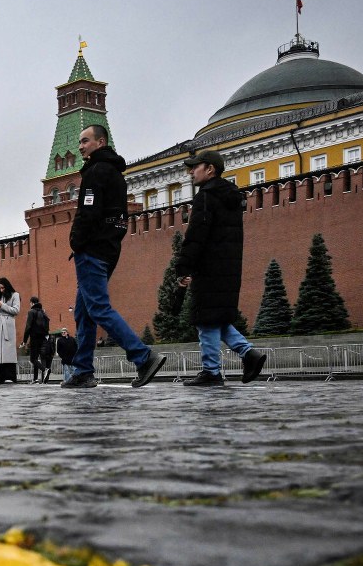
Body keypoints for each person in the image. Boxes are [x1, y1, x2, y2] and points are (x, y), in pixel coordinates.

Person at [63, 124, 166, 389]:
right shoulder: (116, 174)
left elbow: (89, 212)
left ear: (100, 141)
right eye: (80, 142)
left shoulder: (96, 172)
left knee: (98, 307)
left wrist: (76, 241)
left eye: (85, 141)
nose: (81, 146)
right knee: (84, 313)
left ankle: (143, 357)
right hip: (108, 249)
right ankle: (83, 370)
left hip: (92, 251)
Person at [176, 149, 268, 386]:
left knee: (205, 319)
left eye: (195, 167)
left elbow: (197, 235)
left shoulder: (206, 196)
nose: (191, 172)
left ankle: (211, 371)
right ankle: (249, 354)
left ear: (210, 169)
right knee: (215, 317)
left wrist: (184, 266)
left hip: (209, 268)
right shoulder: (230, 197)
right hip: (227, 267)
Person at [0, 277, 21, 383]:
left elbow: (16, 310)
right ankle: (0, 377)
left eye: (3, 288)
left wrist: (2, 305)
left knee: (8, 351)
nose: (1, 290)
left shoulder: (15, 295)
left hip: (7, 324)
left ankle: (10, 377)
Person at [21, 296, 51, 383]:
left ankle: (44, 370)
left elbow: (28, 327)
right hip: (43, 338)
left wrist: (25, 340)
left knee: (33, 359)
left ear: (32, 303)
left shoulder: (31, 312)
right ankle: (35, 379)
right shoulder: (43, 312)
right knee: (36, 359)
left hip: (34, 338)